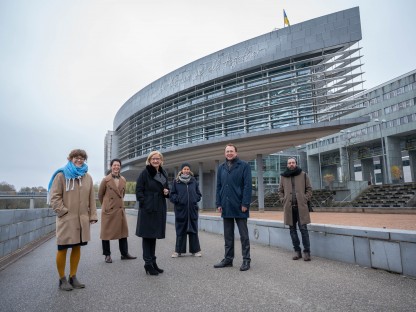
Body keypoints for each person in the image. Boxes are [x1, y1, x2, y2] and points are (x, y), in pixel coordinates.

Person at [48, 149, 98, 291]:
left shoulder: (87, 177)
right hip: (66, 219)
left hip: (81, 220)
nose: (79, 159)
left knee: (77, 247)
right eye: (76, 157)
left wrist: (93, 215)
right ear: (70, 158)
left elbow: (91, 199)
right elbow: (54, 197)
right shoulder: (61, 175)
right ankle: (62, 278)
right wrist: (63, 212)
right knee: (62, 248)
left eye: (82, 157)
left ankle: (73, 276)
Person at [214, 143, 252, 271]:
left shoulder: (244, 166)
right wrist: (218, 203)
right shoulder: (221, 167)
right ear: (225, 153)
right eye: (227, 151)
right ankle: (228, 259)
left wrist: (245, 203)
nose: (229, 153)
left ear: (236, 152)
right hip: (226, 206)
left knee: (244, 236)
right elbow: (218, 186)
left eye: (231, 151)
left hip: (240, 206)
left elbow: (247, 186)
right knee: (228, 236)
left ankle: (246, 260)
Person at [135, 151, 169, 275]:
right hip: (148, 209)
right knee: (147, 236)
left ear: (161, 160)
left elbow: (167, 188)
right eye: (153, 159)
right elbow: (139, 190)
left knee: (153, 236)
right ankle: (148, 263)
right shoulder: (145, 173)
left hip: (159, 207)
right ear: (149, 160)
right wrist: (145, 204)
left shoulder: (163, 172)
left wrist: (167, 192)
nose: (155, 161)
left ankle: (153, 262)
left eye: (158, 159)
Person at [98, 158, 137, 263]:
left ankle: (124, 254)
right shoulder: (105, 180)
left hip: (119, 210)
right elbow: (100, 195)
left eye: (118, 165)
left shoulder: (123, 180)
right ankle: (107, 255)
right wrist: (106, 205)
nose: (116, 167)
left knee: (123, 232)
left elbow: (122, 195)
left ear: (120, 167)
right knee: (106, 233)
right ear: (111, 167)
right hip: (108, 210)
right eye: (114, 165)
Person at [278, 157, 313, 261]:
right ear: (287, 165)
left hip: (301, 207)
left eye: (293, 162)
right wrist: (283, 199)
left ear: (296, 163)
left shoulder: (303, 174)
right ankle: (297, 251)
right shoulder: (283, 177)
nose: (291, 164)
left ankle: (307, 252)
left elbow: (309, 189)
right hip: (289, 208)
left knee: (303, 230)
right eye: (289, 163)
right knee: (292, 231)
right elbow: (280, 190)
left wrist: (304, 199)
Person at [169, 162, 202, 258]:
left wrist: (194, 199)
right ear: (181, 170)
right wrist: (178, 200)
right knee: (180, 230)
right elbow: (172, 195)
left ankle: (195, 251)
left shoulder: (193, 181)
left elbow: (199, 194)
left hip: (192, 210)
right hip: (181, 210)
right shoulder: (176, 181)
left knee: (193, 230)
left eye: (188, 169)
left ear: (189, 170)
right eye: (184, 169)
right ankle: (178, 251)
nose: (186, 171)